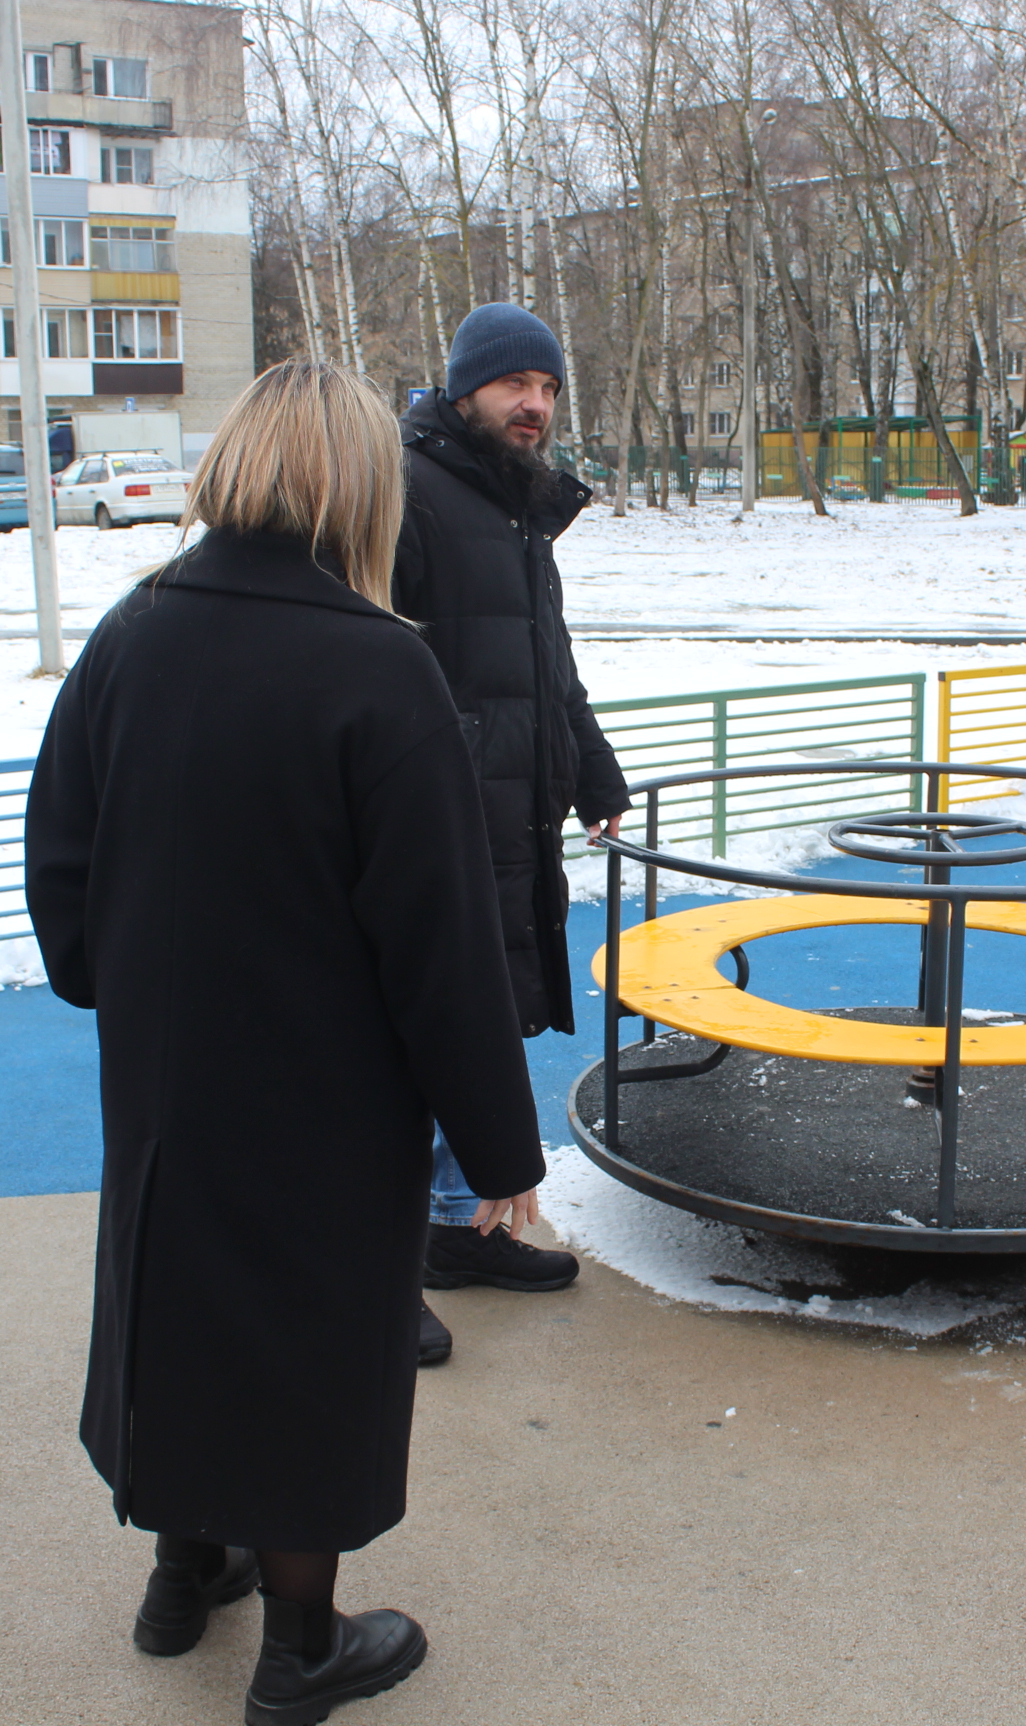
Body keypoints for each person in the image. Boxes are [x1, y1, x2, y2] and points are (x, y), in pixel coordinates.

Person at [24, 359, 547, 1726]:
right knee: (311, 1350)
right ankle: (302, 1648)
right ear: (362, 486)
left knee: (177, 1311)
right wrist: (500, 1146)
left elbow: (59, 854)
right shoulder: (381, 668)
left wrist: (113, 982)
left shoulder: (137, 630)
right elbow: (441, 946)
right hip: (325, 1097)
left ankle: (183, 1572)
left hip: (168, 1080)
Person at [394, 304, 630, 1357]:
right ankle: (380, 1269)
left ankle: (456, 1227)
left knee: (478, 1020)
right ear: (463, 390)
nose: (534, 405)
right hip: (433, 820)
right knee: (412, 1040)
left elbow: (546, 666)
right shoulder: (409, 493)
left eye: (548, 387)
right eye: (513, 385)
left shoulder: (513, 507)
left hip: (506, 811)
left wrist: (592, 768)